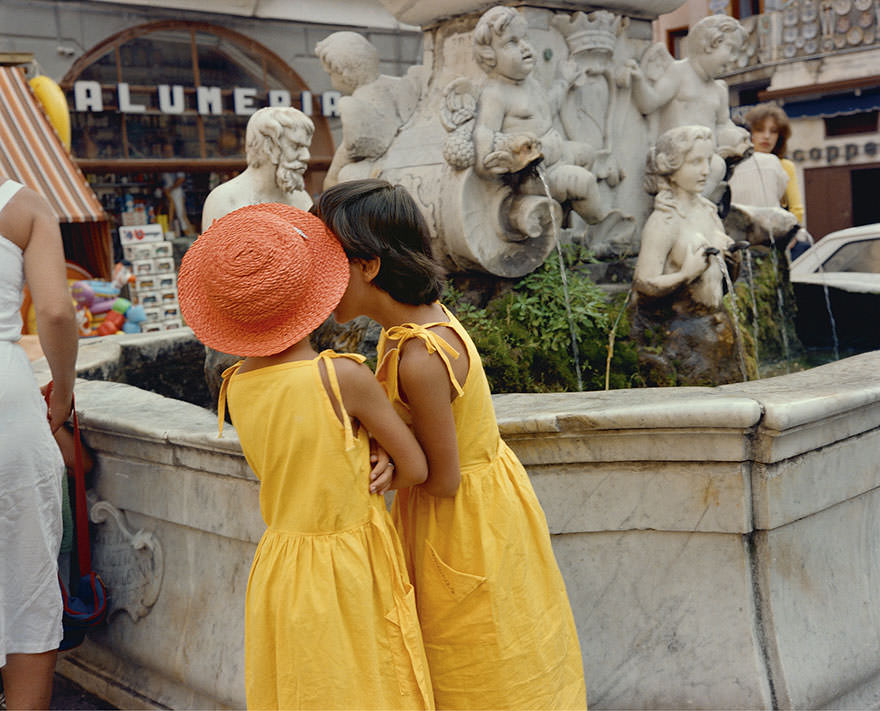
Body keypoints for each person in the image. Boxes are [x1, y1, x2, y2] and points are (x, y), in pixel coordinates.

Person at [314, 179, 587, 710]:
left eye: (328, 264)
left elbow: (443, 477)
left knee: (475, 664)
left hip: (459, 524)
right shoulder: (412, 330)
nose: (317, 283)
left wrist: (391, 463)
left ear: (368, 266)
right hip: (477, 513)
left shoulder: (420, 356)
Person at [176, 202, 434, 710]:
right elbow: (418, 468)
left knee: (304, 689)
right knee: (370, 686)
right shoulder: (343, 377)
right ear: (312, 291)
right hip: (349, 565)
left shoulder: (236, 385)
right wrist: (378, 451)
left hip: (282, 565)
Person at [0, 178, 78, 709]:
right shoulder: (23, 206)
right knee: (27, 586)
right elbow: (54, 311)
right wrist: (63, 392)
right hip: (8, 411)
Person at [471, 6, 608, 226]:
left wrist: (564, 81)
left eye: (524, 38)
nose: (525, 47)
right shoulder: (496, 93)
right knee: (585, 182)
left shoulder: (530, 84)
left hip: (557, 153)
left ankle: (563, 214)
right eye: (511, 43)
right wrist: (495, 155)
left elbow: (547, 109)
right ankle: (601, 225)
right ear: (490, 56)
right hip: (532, 174)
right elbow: (484, 132)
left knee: (587, 154)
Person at [634, 125, 738, 311]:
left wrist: (733, 260)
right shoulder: (664, 220)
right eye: (695, 162)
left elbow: (722, 283)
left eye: (708, 160)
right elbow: (643, 284)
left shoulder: (709, 211)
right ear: (670, 167)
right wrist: (685, 275)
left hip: (715, 320)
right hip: (681, 329)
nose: (706, 170)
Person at [315, 32, 423, 188]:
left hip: (383, 175)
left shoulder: (355, 105)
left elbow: (349, 150)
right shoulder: (401, 85)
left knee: (345, 176)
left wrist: (330, 179)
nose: (331, 80)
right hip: (409, 161)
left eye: (330, 74)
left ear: (344, 73)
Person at [200, 107, 314, 231]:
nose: (306, 156)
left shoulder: (302, 199)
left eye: (306, 147)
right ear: (268, 146)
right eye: (296, 146)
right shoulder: (225, 200)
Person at [742, 103, 808, 258]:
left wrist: (789, 237)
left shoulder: (785, 166)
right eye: (759, 130)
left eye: (773, 131)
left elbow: (796, 209)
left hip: (774, 240)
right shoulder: (737, 165)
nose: (766, 136)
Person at [160, 142, 195, 236]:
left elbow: (181, 178)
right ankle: (171, 232)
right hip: (167, 191)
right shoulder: (162, 162)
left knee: (180, 213)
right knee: (170, 214)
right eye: (166, 151)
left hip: (175, 190)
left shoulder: (175, 162)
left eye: (169, 150)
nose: (168, 153)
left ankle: (189, 233)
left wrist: (171, 188)